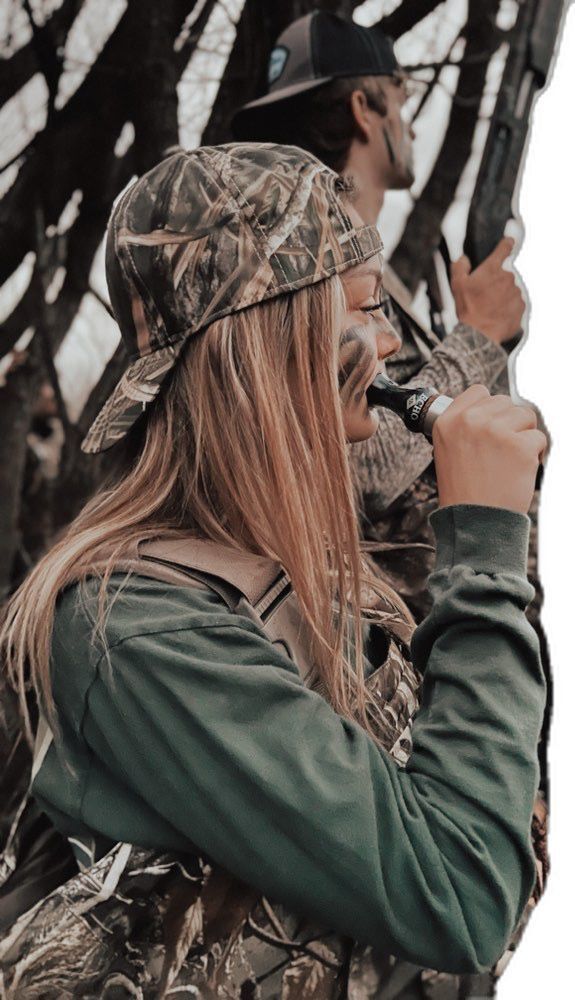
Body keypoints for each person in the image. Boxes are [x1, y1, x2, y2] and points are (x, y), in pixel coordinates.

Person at [0, 144, 546, 998]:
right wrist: (483, 544)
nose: (395, 342)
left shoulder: (314, 580)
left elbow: (499, 828)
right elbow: (459, 896)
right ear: (277, 341)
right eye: (368, 307)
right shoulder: (138, 625)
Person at [232, 11, 528, 619]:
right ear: (366, 110)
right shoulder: (291, 282)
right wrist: (476, 341)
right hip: (400, 666)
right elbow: (356, 469)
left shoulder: (374, 283)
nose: (410, 124)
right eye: (402, 96)